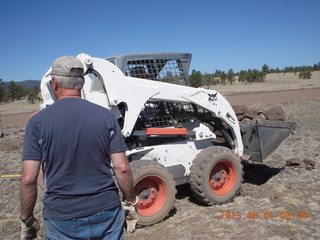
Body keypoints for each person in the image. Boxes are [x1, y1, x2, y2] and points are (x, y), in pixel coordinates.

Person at [19, 56, 138, 239]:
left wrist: (26, 219)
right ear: (81, 83)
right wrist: (129, 202)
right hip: (106, 210)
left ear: (55, 83)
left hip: (61, 217)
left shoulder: (37, 122)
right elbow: (122, 168)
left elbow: (28, 178)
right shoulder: (106, 116)